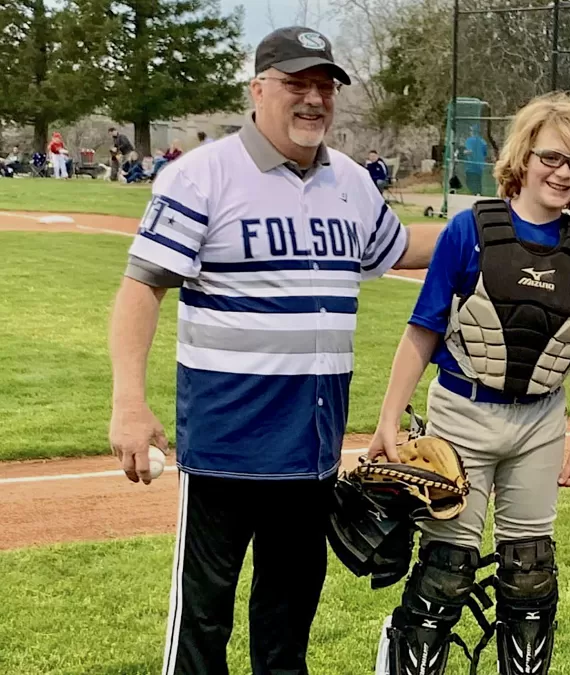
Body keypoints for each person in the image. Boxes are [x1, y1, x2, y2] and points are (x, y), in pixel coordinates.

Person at [107, 26, 440, 675]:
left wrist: (494, 223)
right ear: (258, 88)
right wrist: (128, 400)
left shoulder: (349, 181)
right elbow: (142, 285)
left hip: (310, 453)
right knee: (202, 627)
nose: (314, 98)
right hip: (225, 447)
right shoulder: (201, 175)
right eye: (297, 82)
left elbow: (400, 249)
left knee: (287, 631)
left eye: (325, 85)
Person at [366, 91, 570, 675]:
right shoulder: (470, 229)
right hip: (463, 414)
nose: (563, 172)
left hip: (541, 421)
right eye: (552, 157)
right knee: (445, 569)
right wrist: (388, 417)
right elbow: (424, 327)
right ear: (523, 157)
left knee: (530, 576)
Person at [463, 125, 488, 194]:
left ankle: (474, 194)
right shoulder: (483, 141)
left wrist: (463, 152)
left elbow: (469, 151)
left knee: (470, 182)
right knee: (478, 181)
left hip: (470, 166)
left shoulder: (469, 140)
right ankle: (478, 194)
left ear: (473, 132)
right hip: (480, 167)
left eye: (470, 130)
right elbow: (485, 154)